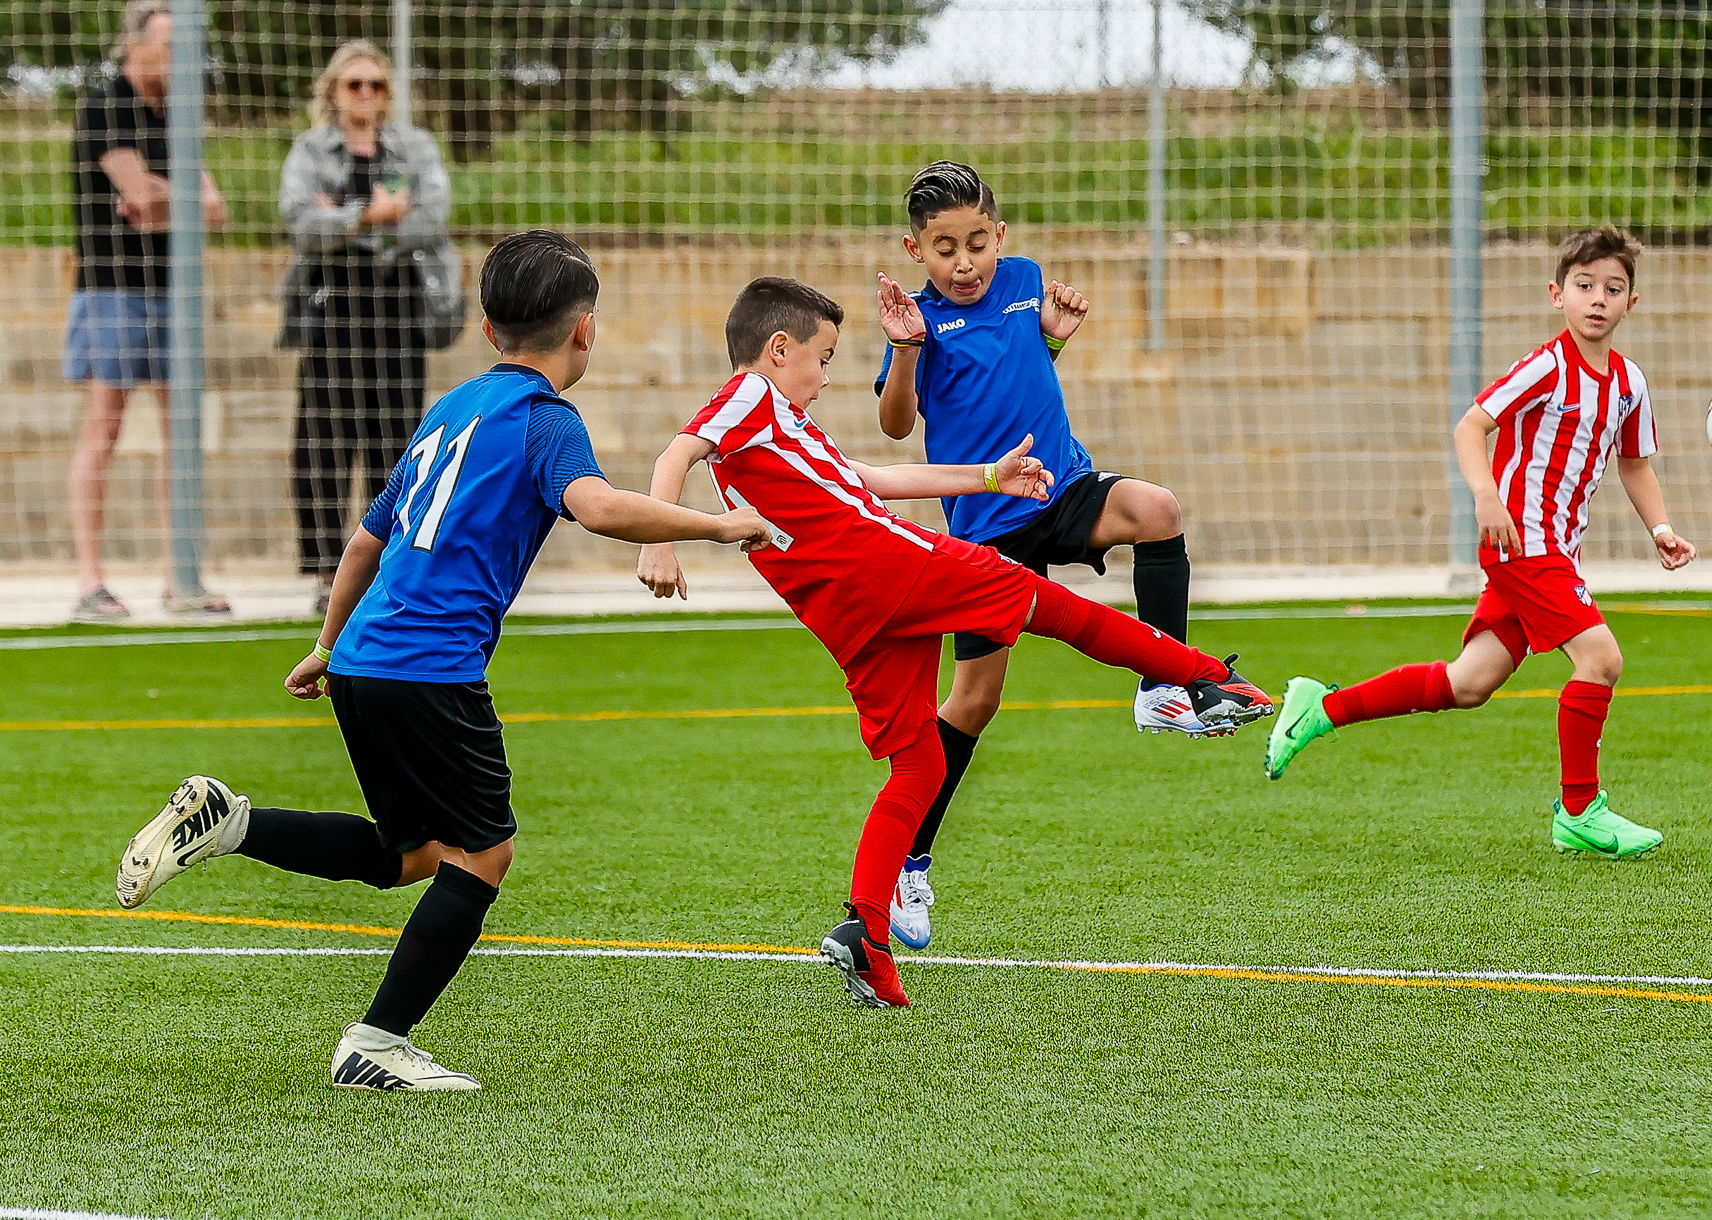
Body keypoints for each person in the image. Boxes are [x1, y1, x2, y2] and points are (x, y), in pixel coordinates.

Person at [113, 232, 773, 1091]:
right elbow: (600, 507)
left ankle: (229, 823)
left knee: (413, 852)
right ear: (586, 329)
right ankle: (377, 1041)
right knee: (485, 853)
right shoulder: (545, 420)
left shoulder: (450, 408)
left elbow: (364, 542)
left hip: (364, 658)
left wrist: (326, 646)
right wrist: (717, 524)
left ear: (489, 328)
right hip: (432, 667)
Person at [637, 277, 1272, 1010]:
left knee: (919, 764)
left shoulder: (785, 431)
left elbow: (873, 477)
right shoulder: (751, 396)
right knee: (1041, 601)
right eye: (824, 358)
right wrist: (661, 536)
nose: (826, 376)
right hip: (888, 566)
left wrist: (987, 477)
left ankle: (866, 933)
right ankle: (1198, 677)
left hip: (849, 618)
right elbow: (678, 450)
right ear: (779, 349)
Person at [1263, 227, 1698, 858]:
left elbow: (1634, 464)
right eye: (1584, 286)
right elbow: (1471, 426)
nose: (1598, 299)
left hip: (1556, 550)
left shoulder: (1630, 382)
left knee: (1468, 684)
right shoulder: (1547, 366)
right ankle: (1580, 811)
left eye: (1613, 288)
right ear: (1557, 294)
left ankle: (1320, 709)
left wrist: (1660, 529)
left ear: (1632, 303)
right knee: (1601, 660)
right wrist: (1485, 496)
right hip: (1522, 541)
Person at [870, 160, 1204, 952]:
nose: (964, 262)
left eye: (976, 243)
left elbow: (1017, 377)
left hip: (1059, 485)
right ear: (915, 250)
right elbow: (895, 425)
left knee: (1157, 509)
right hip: (987, 526)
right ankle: (908, 862)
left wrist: (1051, 337)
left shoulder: (1024, 279)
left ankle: (1163, 684)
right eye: (944, 248)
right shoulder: (919, 319)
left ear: (1001, 236)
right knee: (974, 700)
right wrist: (906, 350)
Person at [66, 0, 231, 620]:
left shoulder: (178, 116)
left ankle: (179, 577)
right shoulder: (106, 105)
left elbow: (214, 211)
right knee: (103, 428)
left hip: (174, 293)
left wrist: (165, 201)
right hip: (112, 289)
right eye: (169, 46)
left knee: (179, 434)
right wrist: (174, 198)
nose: (180, 58)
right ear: (135, 46)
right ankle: (91, 582)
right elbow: (139, 193)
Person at [279, 40, 458, 616]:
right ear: (333, 91)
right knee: (323, 445)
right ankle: (326, 572)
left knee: (397, 443)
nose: (364, 94)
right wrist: (371, 213)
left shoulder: (414, 147)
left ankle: (387, 567)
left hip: (398, 309)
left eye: (375, 85)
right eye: (353, 84)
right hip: (332, 309)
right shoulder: (310, 149)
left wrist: (345, 221)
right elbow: (299, 222)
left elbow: (433, 217)